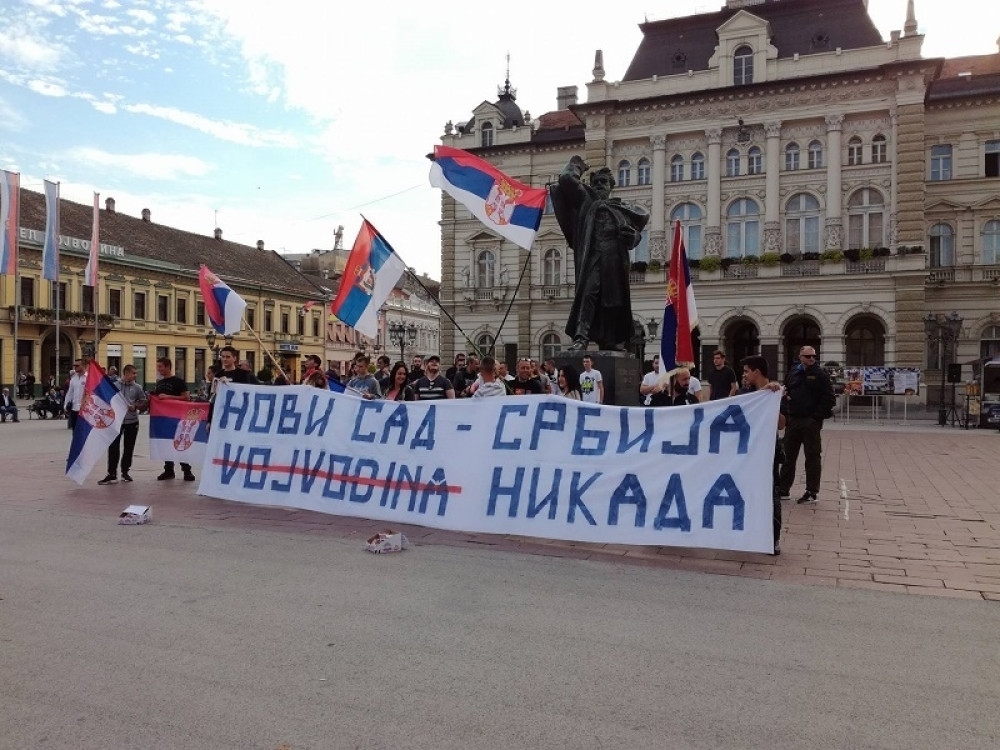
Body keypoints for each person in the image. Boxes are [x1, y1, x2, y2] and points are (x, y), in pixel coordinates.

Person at [549, 155, 649, 351]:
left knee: (613, 300)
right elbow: (566, 179)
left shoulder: (622, 209)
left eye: (604, 182)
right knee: (589, 295)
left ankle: (609, 340)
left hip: (614, 258)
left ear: (611, 186)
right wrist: (578, 164)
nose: (600, 186)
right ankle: (581, 337)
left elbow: (636, 236)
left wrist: (632, 237)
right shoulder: (585, 200)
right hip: (593, 257)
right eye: (596, 183)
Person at [779, 345, 836, 505]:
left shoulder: (821, 375)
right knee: (788, 456)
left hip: (811, 421)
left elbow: (829, 399)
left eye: (813, 356)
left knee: (812, 456)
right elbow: (785, 393)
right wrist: (787, 410)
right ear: (800, 357)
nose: (811, 359)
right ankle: (783, 489)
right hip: (794, 420)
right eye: (808, 356)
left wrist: (815, 417)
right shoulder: (793, 373)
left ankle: (811, 491)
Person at [741, 355, 786, 555]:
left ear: (757, 372)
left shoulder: (777, 393)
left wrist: (771, 402)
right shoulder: (745, 393)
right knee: (747, 492)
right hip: (748, 452)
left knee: (771, 494)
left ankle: (773, 538)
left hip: (768, 452)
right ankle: (750, 534)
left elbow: (782, 424)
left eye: (746, 371)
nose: (744, 375)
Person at [98, 365, 146, 484]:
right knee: (113, 447)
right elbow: (106, 400)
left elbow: (144, 402)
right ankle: (111, 473)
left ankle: (125, 471)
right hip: (116, 422)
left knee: (129, 447)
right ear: (126, 373)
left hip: (132, 421)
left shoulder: (137, 388)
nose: (135, 375)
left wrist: (135, 406)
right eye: (133, 373)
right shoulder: (115, 386)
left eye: (136, 373)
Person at [152, 357, 196, 482]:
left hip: (177, 419)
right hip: (163, 420)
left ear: (167, 366)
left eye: (160, 366)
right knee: (165, 444)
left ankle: (187, 470)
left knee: (180, 443)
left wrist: (168, 397)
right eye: (158, 366)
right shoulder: (159, 383)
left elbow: (186, 397)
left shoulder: (178, 381)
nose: (158, 369)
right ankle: (168, 470)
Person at [64, 359, 87, 430]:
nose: (75, 367)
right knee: (75, 431)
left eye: (77, 365)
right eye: (74, 366)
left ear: (83, 366)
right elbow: (70, 393)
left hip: (85, 410)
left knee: (84, 432)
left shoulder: (88, 378)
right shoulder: (73, 378)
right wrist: (65, 405)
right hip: (74, 409)